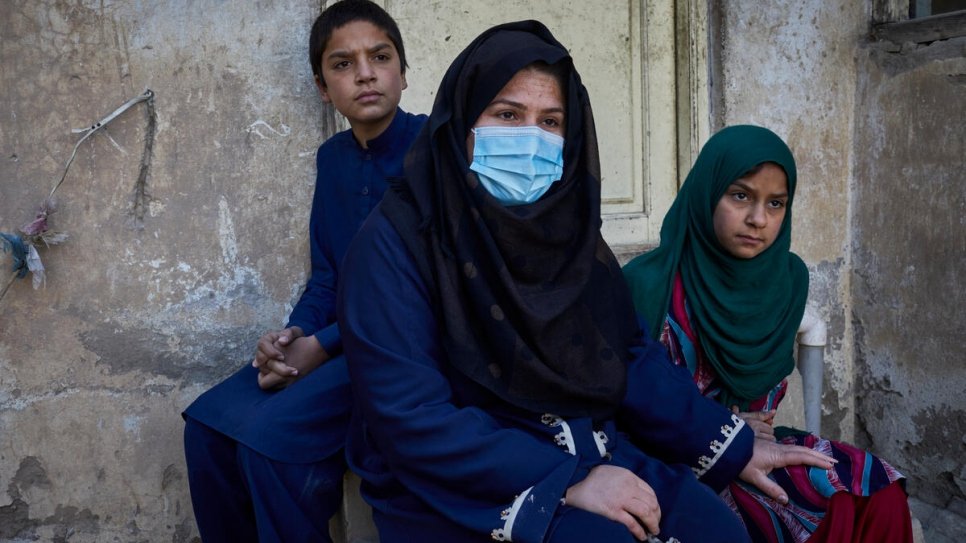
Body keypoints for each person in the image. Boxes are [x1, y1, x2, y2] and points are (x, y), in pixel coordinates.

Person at [337, 21, 835, 543]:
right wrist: (568, 482)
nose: (531, 139)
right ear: (462, 120)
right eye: (507, 115)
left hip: (595, 447)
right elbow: (412, 417)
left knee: (720, 534)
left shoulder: (569, 235)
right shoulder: (395, 242)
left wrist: (732, 446)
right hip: (469, 481)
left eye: (550, 121)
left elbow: (629, 356)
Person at [181, 1, 426, 541]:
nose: (364, 73)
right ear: (322, 88)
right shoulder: (333, 158)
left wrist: (325, 344)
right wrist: (292, 336)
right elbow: (327, 278)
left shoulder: (433, 151)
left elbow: (426, 289)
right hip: (339, 344)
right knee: (206, 425)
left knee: (271, 443)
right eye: (342, 64)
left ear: (403, 73)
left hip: (403, 351)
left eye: (380, 57)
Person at [622, 124, 912, 542]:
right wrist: (723, 429)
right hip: (671, 461)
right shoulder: (648, 284)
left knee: (876, 495)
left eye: (775, 203)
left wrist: (747, 435)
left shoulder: (786, 278)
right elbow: (620, 403)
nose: (758, 219)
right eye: (740, 195)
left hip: (761, 448)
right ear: (707, 193)